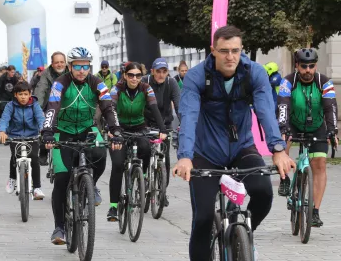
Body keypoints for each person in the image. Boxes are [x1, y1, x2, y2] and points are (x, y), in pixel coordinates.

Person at [173, 25, 295, 261]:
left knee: (263, 193)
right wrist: (185, 156)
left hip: (242, 148)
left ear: (241, 50)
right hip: (204, 152)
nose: (230, 57)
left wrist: (278, 149)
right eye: (224, 50)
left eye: (235, 50)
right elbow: (188, 116)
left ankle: (245, 235)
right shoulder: (198, 77)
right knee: (203, 218)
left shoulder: (254, 73)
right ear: (213, 50)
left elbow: (265, 112)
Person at [41, 47, 123, 245]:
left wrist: (116, 130)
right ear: (70, 66)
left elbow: (108, 107)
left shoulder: (97, 83)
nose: (81, 70)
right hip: (63, 131)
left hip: (87, 129)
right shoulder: (60, 84)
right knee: (62, 179)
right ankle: (59, 227)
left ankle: (91, 184)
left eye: (85, 66)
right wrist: (48, 132)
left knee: (101, 154)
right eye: (77, 66)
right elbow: (52, 107)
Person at [277, 48, 338, 227]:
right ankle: (284, 179)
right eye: (304, 66)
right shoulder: (288, 82)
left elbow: (330, 107)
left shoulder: (324, 82)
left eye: (311, 66)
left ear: (315, 66)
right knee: (283, 141)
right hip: (293, 124)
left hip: (317, 126)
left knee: (319, 164)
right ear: (297, 66)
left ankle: (315, 212)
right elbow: (283, 106)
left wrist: (332, 130)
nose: (308, 70)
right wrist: (283, 128)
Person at [107, 62, 167, 221]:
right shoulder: (117, 89)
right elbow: (110, 107)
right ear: (125, 76)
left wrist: (163, 129)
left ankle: (143, 176)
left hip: (140, 128)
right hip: (119, 129)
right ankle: (113, 207)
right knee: (118, 164)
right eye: (131, 75)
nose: (134, 78)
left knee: (146, 148)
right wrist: (112, 128)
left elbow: (154, 108)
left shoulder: (146, 88)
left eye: (138, 75)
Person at [141, 57, 181, 205]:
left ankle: (162, 191)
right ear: (152, 71)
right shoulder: (144, 81)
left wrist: (183, 124)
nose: (161, 75)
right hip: (145, 123)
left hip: (165, 125)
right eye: (158, 71)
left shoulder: (172, 83)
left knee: (165, 160)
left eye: (164, 71)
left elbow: (178, 105)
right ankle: (141, 178)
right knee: (144, 151)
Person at [0, 81, 46, 199]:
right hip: (15, 136)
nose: (23, 97)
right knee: (14, 157)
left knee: (35, 159)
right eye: (20, 94)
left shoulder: (35, 105)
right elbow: (4, 119)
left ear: (30, 94)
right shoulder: (10, 105)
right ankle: (12, 178)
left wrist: (43, 130)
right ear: (15, 95)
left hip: (33, 136)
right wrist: (2, 131)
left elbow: (40, 118)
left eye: (25, 94)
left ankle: (37, 187)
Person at [33, 52, 69, 165]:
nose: (59, 64)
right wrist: (38, 109)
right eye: (56, 62)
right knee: (46, 125)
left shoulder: (71, 72)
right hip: (50, 105)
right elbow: (40, 90)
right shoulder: (46, 74)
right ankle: (43, 152)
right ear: (52, 64)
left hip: (67, 105)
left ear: (66, 63)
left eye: (62, 62)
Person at [94, 60, 118, 133]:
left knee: (112, 118)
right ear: (101, 67)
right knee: (96, 118)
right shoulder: (95, 76)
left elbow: (115, 87)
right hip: (99, 101)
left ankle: (112, 133)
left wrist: (111, 97)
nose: (104, 68)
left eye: (106, 66)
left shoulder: (112, 76)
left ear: (108, 67)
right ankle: (99, 134)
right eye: (102, 66)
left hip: (109, 101)